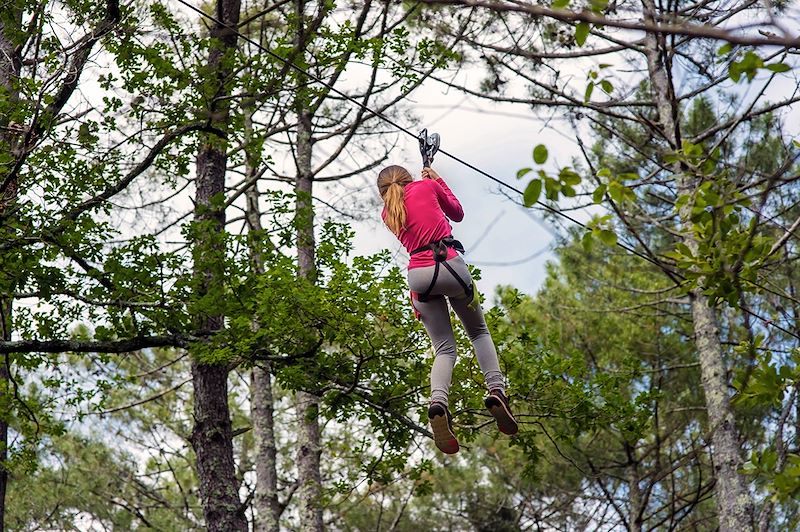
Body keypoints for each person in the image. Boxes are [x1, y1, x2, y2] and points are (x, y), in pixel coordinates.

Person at [377, 164, 518, 454]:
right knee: (478, 332)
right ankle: (496, 391)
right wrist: (437, 180)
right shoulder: (426, 186)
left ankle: (438, 403)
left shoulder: (387, 213)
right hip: (449, 265)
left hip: (419, 276)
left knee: (444, 349)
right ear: (410, 179)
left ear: (383, 192)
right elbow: (457, 213)